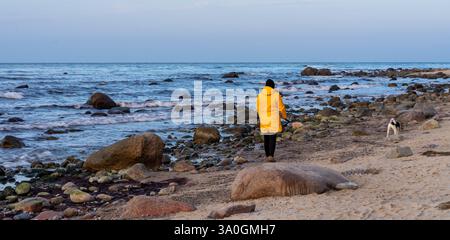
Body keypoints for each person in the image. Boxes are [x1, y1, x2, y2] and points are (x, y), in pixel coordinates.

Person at [256, 79, 287, 162]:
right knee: (272, 137)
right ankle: (271, 156)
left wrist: (259, 117)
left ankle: (267, 156)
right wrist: (284, 116)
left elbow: (258, 108)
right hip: (273, 118)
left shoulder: (260, 95)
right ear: (273, 86)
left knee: (266, 137)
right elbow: (281, 107)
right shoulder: (276, 95)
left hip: (264, 118)